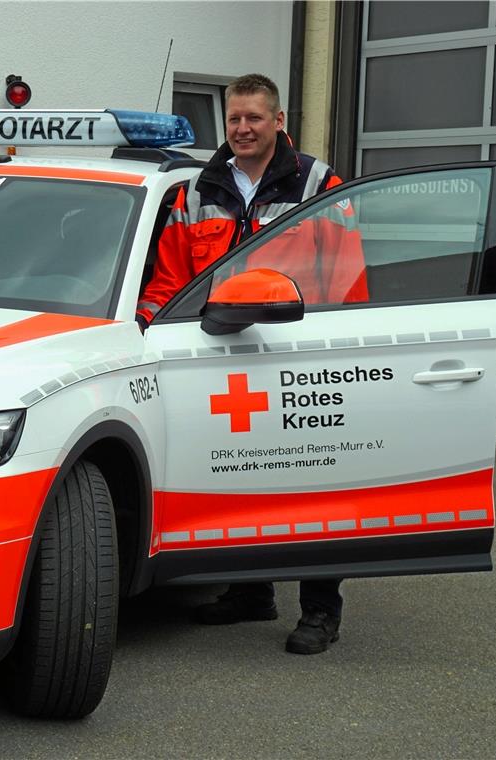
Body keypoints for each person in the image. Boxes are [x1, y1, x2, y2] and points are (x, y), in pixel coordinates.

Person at [137, 73, 366, 655]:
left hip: (301, 357)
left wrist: (348, 345)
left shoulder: (319, 183)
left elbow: (347, 276)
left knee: (317, 486)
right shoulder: (197, 191)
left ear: (278, 121)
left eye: (253, 119)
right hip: (222, 356)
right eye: (234, 119)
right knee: (244, 476)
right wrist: (147, 331)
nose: (241, 128)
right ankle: (251, 592)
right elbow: (169, 278)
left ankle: (320, 609)